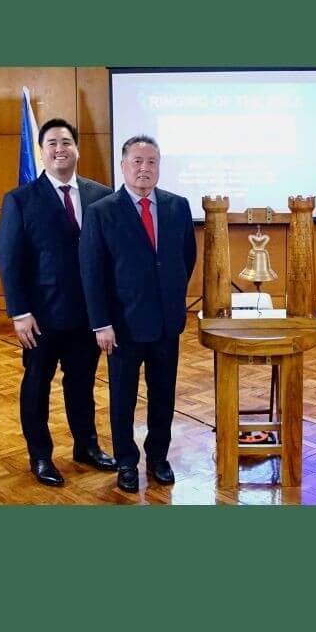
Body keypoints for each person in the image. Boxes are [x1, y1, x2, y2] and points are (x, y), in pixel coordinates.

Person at [0, 117, 116, 487]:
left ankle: (87, 446)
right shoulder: (20, 199)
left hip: (87, 315)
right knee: (37, 385)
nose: (59, 149)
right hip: (40, 317)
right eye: (52, 143)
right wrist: (18, 312)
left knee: (81, 384)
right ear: (42, 151)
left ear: (77, 148)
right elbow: (10, 259)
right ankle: (41, 455)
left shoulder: (101, 195)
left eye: (66, 142)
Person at [79, 135, 197, 493]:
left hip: (165, 323)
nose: (144, 168)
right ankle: (127, 463)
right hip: (121, 327)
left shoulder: (178, 206)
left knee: (163, 395)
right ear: (123, 165)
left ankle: (158, 458)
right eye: (137, 161)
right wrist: (101, 322)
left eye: (151, 162)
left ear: (159, 167)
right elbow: (91, 270)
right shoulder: (102, 211)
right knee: (123, 399)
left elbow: (185, 259)